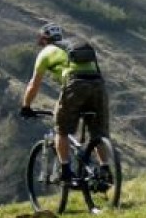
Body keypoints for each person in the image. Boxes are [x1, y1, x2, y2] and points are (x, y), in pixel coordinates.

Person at [20, 22, 111, 185]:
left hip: (75, 85)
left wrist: (26, 106)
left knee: (61, 130)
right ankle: (105, 170)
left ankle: (66, 171)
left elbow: (34, 84)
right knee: (97, 133)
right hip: (98, 86)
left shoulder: (46, 53)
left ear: (43, 39)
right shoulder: (74, 48)